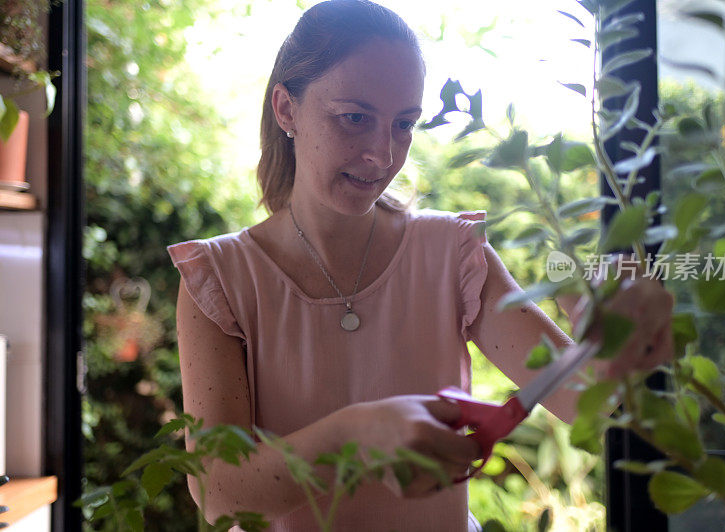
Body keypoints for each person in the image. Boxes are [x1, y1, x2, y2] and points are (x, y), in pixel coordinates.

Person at [167, 1, 674, 530]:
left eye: (404, 124)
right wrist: (358, 434)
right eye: (355, 118)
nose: (383, 155)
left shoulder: (451, 252)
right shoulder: (219, 279)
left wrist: (616, 339)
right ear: (286, 108)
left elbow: (589, 404)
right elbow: (219, 492)